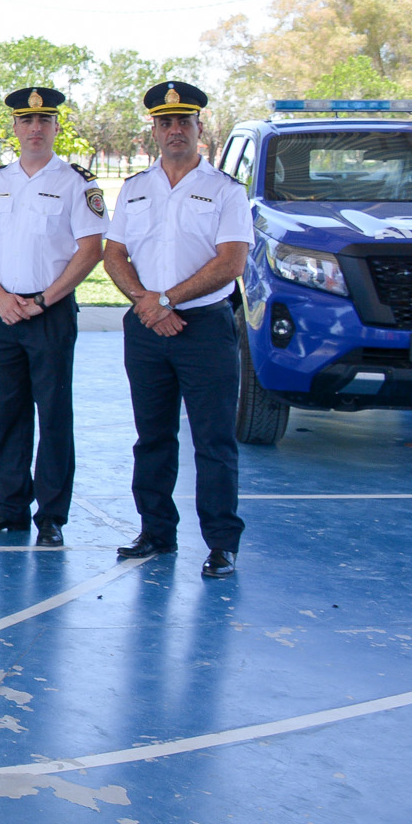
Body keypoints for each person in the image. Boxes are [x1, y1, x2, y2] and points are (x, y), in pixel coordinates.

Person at [103, 80, 253, 579]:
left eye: (182, 122)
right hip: (147, 327)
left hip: (204, 327)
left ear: (199, 128)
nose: (173, 130)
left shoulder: (226, 191)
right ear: (154, 130)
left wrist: (166, 299)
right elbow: (114, 253)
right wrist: (147, 304)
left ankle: (221, 543)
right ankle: (156, 532)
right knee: (152, 437)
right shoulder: (136, 187)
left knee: (212, 441)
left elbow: (230, 262)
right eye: (164, 122)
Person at [0, 88, 105, 547]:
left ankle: (51, 517)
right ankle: (10, 507)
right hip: (0, 311)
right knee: (6, 412)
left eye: (45, 121)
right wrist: (0, 297)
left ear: (58, 127)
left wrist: (43, 300)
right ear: (16, 129)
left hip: (51, 312)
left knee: (54, 414)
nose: (35, 129)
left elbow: (90, 251)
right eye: (26, 121)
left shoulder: (77, 183)